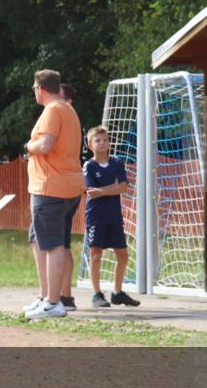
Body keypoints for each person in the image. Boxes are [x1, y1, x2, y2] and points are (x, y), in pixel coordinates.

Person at [22, 70, 85, 320]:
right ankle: (45, 297)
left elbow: (45, 145)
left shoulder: (51, 110)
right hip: (66, 185)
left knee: (53, 245)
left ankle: (54, 302)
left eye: (34, 89)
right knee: (40, 240)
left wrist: (28, 146)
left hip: (51, 186)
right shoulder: (68, 109)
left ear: (40, 88)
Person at [83, 126, 141, 308]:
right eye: (97, 140)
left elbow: (124, 187)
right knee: (96, 255)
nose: (102, 143)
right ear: (90, 144)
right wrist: (111, 189)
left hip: (114, 216)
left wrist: (103, 190)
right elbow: (91, 193)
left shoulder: (117, 162)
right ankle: (96, 294)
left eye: (105, 140)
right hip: (96, 216)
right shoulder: (89, 165)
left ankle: (117, 292)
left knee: (123, 255)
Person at [57, 83, 79, 311]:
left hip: (61, 189)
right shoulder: (67, 119)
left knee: (58, 245)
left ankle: (61, 296)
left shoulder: (65, 118)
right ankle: (64, 295)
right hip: (67, 186)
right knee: (62, 245)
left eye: (59, 98)